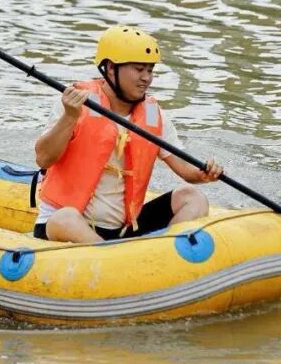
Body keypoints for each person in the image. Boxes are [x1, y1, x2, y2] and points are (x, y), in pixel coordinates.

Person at [33, 25, 223, 243]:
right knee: (64, 218)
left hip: (123, 229)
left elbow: (186, 170)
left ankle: (163, 256)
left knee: (193, 198)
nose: (147, 78)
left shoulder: (153, 115)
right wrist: (69, 117)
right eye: (139, 69)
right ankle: (113, 258)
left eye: (150, 70)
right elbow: (43, 158)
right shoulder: (75, 103)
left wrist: (204, 173)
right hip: (69, 224)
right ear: (111, 68)